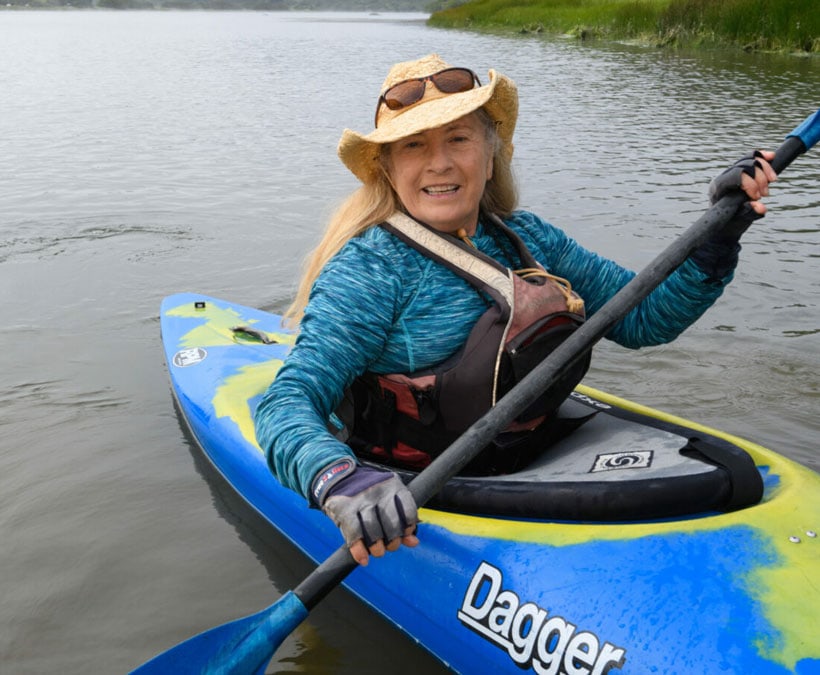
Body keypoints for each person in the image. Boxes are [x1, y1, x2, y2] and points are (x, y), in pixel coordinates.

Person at [254, 54, 777, 567]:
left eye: (458, 138)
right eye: (414, 145)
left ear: (490, 151)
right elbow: (286, 401)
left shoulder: (529, 237)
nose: (439, 163)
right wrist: (338, 479)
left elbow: (646, 319)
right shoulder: (371, 268)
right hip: (419, 483)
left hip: (532, 455)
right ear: (389, 168)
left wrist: (718, 235)